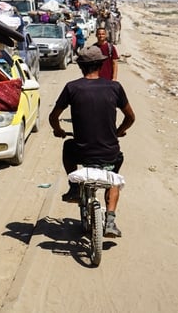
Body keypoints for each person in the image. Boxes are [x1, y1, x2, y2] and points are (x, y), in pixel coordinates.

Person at [48, 46, 135, 238]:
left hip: (81, 151)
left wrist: (59, 130)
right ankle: (110, 219)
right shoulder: (115, 87)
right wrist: (119, 131)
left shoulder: (72, 87)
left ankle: (74, 188)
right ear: (102, 64)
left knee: (67, 146)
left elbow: (53, 116)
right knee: (113, 175)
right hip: (108, 152)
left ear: (80, 66)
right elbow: (130, 117)